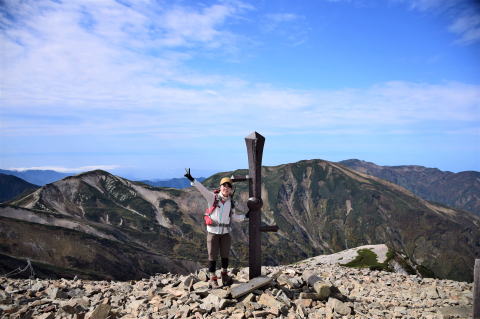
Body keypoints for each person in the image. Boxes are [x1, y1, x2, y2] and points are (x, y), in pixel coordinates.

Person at [184, 168, 248, 288]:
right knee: (212, 256)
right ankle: (213, 279)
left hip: (225, 233)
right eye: (224, 186)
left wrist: (245, 216)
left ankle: (224, 275)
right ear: (221, 187)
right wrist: (192, 179)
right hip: (212, 232)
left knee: (225, 256)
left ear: (231, 189)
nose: (226, 188)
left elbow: (233, 217)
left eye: (228, 186)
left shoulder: (231, 203)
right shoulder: (212, 197)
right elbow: (202, 189)